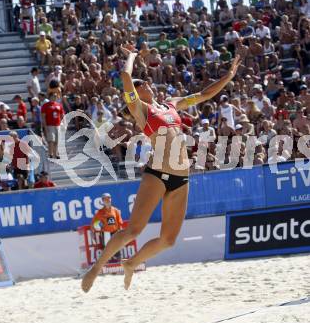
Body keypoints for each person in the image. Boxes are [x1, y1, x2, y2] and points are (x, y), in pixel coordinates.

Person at [81, 50, 241, 293]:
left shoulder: (171, 104)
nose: (147, 83)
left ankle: (132, 263)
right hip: (157, 173)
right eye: (141, 83)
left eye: (144, 82)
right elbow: (125, 75)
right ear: (136, 92)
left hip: (181, 177)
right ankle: (96, 268)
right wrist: (133, 56)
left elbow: (205, 94)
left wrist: (228, 76)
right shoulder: (140, 109)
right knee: (134, 229)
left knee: (168, 239)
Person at [90, 193, 124, 260]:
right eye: (105, 199)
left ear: (111, 199)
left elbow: (120, 224)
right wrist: (92, 236)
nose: (107, 200)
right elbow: (93, 224)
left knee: (117, 250)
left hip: (115, 232)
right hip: (106, 233)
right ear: (102, 201)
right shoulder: (100, 212)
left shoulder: (116, 210)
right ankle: (108, 264)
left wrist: (122, 235)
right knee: (107, 251)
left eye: (108, 198)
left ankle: (118, 264)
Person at [41, 92, 64, 159]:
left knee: (57, 140)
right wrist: (45, 126)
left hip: (57, 124)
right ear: (50, 96)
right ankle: (50, 153)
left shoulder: (59, 105)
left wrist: (63, 123)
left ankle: (56, 153)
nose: (55, 97)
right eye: (54, 96)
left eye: (56, 96)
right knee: (51, 140)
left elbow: (62, 115)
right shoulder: (45, 105)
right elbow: (43, 117)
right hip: (49, 125)